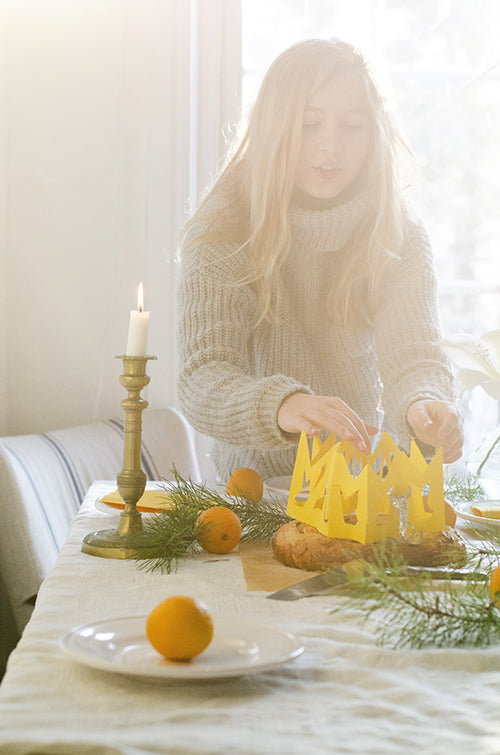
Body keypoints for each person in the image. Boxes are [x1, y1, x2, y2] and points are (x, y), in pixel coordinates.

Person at [177, 37, 464, 483]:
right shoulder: (223, 231)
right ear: (276, 128)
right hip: (255, 499)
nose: (331, 145)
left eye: (352, 126)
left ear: (374, 134)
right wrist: (286, 405)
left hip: (366, 491)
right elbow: (203, 378)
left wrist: (424, 404)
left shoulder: (398, 234)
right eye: (311, 123)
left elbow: (414, 358)